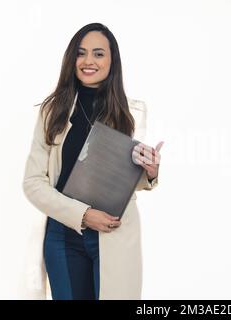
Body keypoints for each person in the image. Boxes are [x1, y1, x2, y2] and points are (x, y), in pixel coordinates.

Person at [22, 22, 163, 300]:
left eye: (98, 54)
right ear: (71, 58)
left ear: (112, 61)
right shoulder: (52, 112)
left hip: (114, 232)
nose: (88, 61)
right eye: (81, 53)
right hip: (63, 234)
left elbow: (122, 183)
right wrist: (83, 215)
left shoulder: (132, 112)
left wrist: (148, 172)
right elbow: (33, 182)